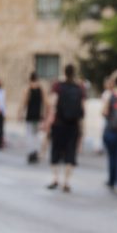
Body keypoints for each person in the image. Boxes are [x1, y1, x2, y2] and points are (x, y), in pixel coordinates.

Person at [47, 64, 85, 192]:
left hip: (59, 123)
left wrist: (48, 122)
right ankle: (66, 182)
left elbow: (53, 104)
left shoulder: (58, 86)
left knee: (55, 150)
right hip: (73, 124)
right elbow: (83, 108)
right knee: (71, 151)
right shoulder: (80, 87)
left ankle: (55, 178)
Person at [21, 71, 44, 164]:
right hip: (37, 115)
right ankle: (35, 151)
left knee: (30, 134)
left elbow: (24, 102)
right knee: (36, 135)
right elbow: (45, 102)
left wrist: (21, 112)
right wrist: (44, 113)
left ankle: (31, 152)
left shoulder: (28, 88)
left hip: (30, 115)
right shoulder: (41, 88)